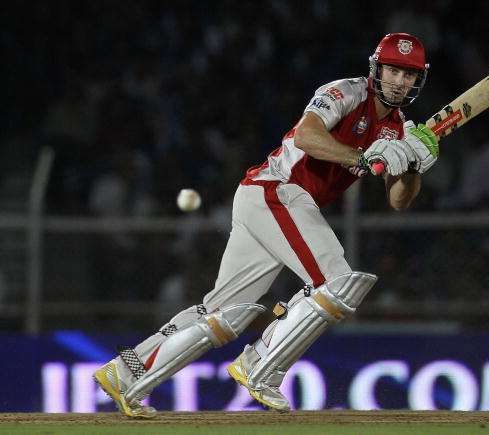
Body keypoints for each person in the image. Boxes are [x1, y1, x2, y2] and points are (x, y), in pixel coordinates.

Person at [93, 32, 440, 417]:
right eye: (393, 70)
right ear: (377, 68)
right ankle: (260, 367)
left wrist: (410, 166)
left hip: (271, 200)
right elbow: (307, 136)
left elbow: (398, 201)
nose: (399, 81)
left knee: (225, 315)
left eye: (408, 75)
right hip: (278, 190)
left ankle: (125, 372)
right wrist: (362, 156)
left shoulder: (398, 130)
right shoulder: (346, 92)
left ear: (417, 80)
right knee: (338, 282)